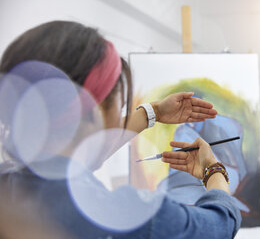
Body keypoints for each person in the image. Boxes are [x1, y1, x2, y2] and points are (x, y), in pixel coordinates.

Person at [0, 21, 241, 238]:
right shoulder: (129, 216)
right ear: (93, 112)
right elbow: (220, 223)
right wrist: (213, 169)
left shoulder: (8, 185)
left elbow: (73, 160)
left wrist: (153, 112)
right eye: (121, 104)